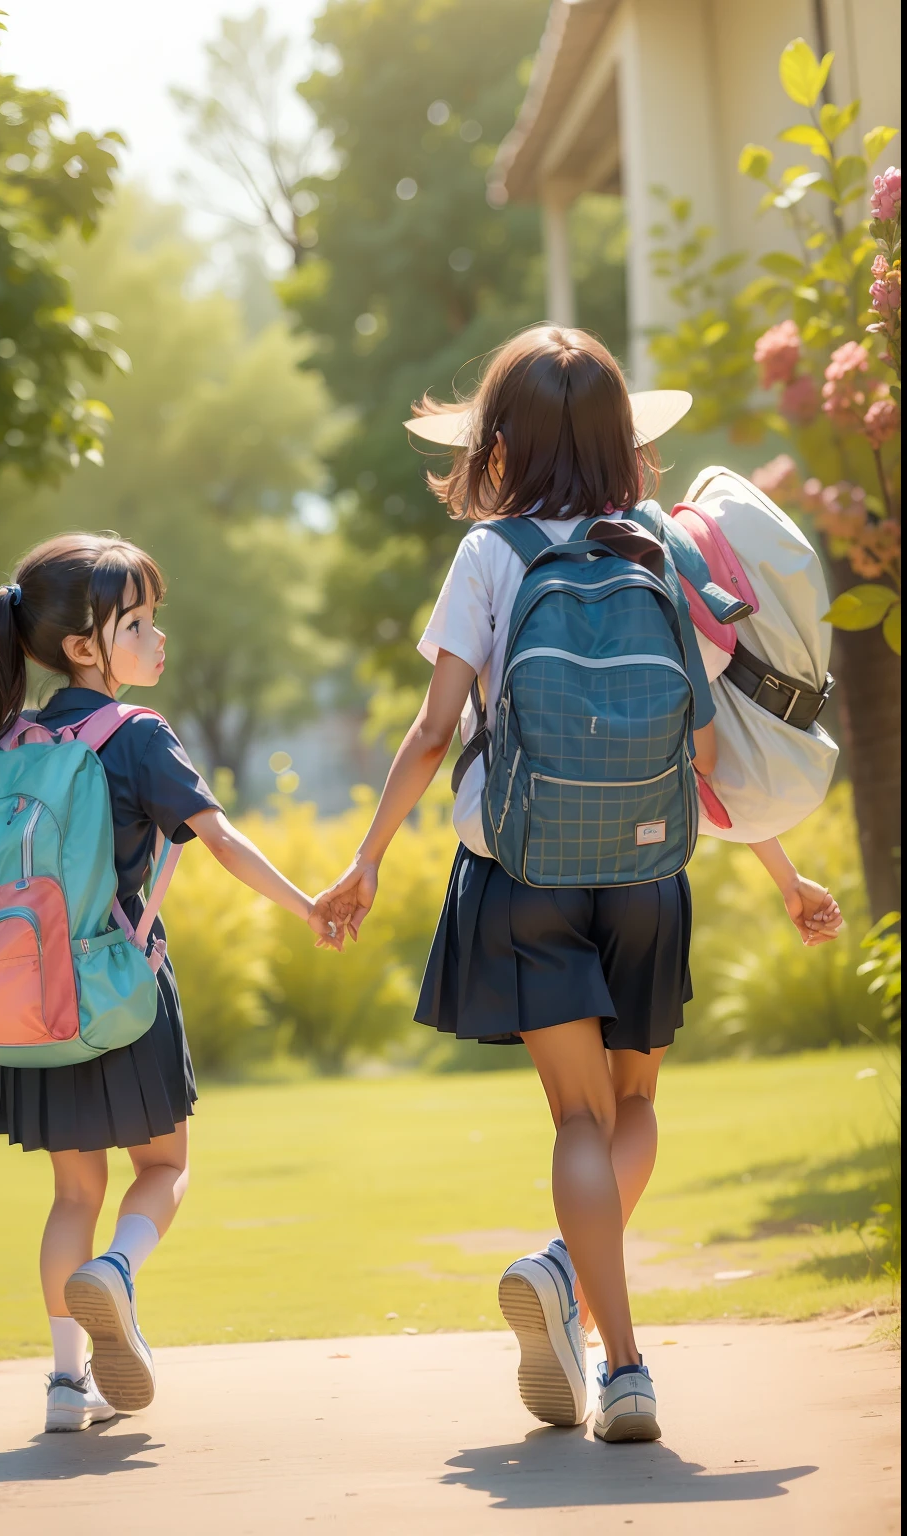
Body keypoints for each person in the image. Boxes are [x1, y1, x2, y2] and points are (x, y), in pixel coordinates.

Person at [313, 328, 842, 1443]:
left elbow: (430, 730)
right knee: (635, 1108)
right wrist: (786, 875)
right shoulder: (662, 553)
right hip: (647, 875)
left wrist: (364, 861)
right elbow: (701, 753)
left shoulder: (489, 557)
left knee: (574, 1120)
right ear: (624, 443)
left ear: (497, 446)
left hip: (522, 872)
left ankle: (612, 1342)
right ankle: (590, 1322)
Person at [0, 533, 337, 1432]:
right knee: (165, 1166)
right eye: (139, 622)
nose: (159, 638)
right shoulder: (138, 737)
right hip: (120, 995)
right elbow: (221, 842)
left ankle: (66, 1386)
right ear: (84, 646)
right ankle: (116, 1271)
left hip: (32, 1004)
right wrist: (308, 904)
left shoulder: (9, 740)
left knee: (72, 1193)